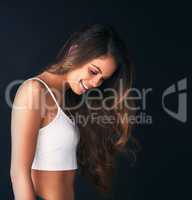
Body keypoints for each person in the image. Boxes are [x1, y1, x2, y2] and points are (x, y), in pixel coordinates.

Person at [10, 24, 136, 200]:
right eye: (93, 71)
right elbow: (19, 172)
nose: (95, 83)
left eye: (102, 79)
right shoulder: (35, 91)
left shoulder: (68, 98)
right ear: (74, 51)